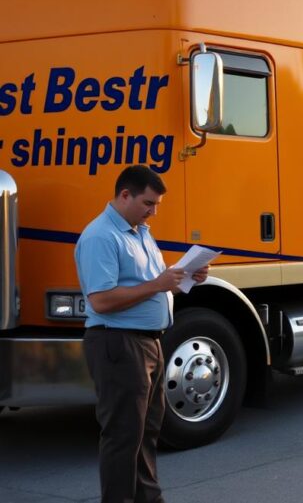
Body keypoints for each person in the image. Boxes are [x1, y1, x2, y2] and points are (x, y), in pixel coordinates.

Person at [75, 165, 210, 503]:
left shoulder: (141, 233)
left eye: (157, 205)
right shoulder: (101, 236)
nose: (154, 211)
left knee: (147, 431)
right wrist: (158, 283)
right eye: (148, 203)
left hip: (147, 343)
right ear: (125, 195)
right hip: (118, 343)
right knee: (123, 435)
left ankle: (149, 499)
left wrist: (185, 279)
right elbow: (102, 300)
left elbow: (151, 291)